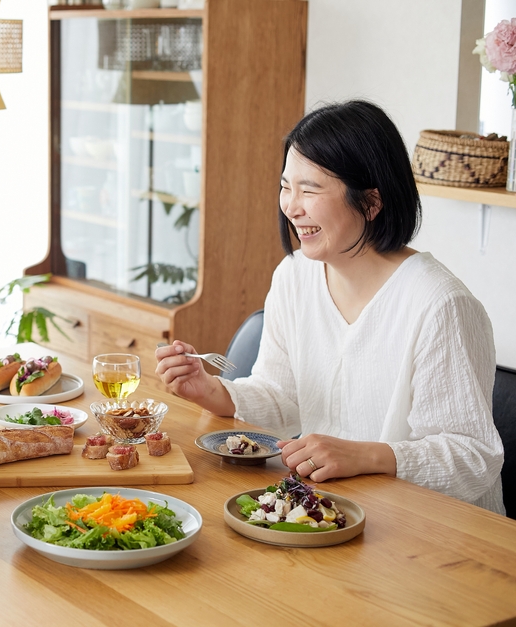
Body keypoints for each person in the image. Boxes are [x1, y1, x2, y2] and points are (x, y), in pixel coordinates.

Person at [156, 100, 504, 515]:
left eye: (310, 189)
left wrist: (366, 455)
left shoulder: (441, 304)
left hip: (435, 529)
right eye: (286, 186)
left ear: (371, 202)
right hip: (335, 510)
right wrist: (211, 391)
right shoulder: (294, 276)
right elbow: (282, 397)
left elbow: (473, 457)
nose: (291, 206)